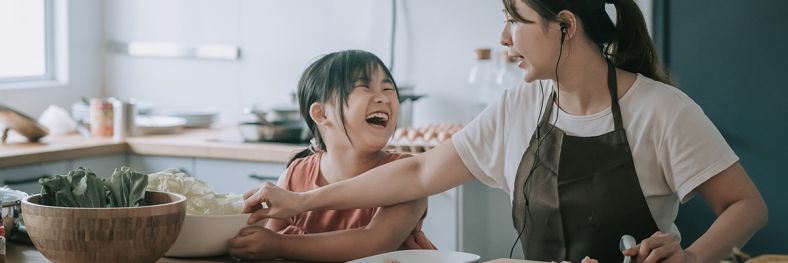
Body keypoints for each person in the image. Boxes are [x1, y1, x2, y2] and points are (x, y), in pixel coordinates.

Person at [242, 0, 768, 262]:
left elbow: (746, 206)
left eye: (513, 18)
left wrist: (693, 257)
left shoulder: (661, 110)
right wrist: (297, 204)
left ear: (563, 26)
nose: (503, 36)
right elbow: (421, 171)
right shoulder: (519, 106)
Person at [228, 50, 435, 261]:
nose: (383, 97)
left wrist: (279, 245)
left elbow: (374, 244)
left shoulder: (404, 174)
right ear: (321, 114)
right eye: (364, 87)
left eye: (388, 88)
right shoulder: (295, 174)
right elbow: (267, 241)